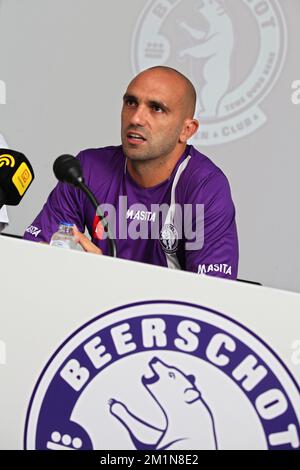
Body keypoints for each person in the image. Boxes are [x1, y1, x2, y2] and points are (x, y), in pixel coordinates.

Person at [23, 66, 238, 279]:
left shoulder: (205, 187)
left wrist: (100, 275)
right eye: (131, 103)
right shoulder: (86, 170)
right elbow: (34, 255)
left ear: (187, 130)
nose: (136, 118)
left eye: (156, 108)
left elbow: (211, 297)